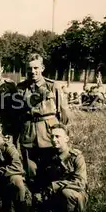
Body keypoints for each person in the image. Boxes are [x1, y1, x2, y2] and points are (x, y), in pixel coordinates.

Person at [15, 53, 70, 184]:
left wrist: (59, 132)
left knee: (52, 168)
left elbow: (64, 113)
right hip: (29, 133)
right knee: (31, 170)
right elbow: (17, 112)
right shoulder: (21, 88)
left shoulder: (53, 86)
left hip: (49, 132)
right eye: (30, 68)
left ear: (42, 68)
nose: (32, 71)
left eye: (36, 68)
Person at [33, 124, 88, 212]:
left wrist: (55, 185)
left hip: (74, 193)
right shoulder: (48, 156)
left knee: (65, 192)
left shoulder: (76, 157)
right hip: (52, 194)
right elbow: (41, 178)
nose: (54, 140)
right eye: (52, 136)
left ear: (66, 139)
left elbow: (80, 183)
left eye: (57, 136)